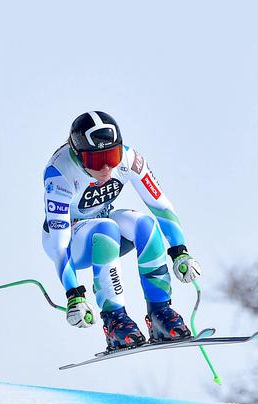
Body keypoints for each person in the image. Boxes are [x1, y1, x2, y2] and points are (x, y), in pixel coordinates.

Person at [42, 111, 201, 351]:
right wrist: (74, 295)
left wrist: (180, 251)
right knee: (106, 228)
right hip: (72, 239)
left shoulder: (129, 160)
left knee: (145, 224)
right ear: (77, 155)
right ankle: (115, 320)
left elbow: (161, 206)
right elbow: (59, 245)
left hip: (104, 223)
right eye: (95, 161)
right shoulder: (60, 173)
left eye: (111, 156)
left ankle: (160, 313)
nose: (106, 168)